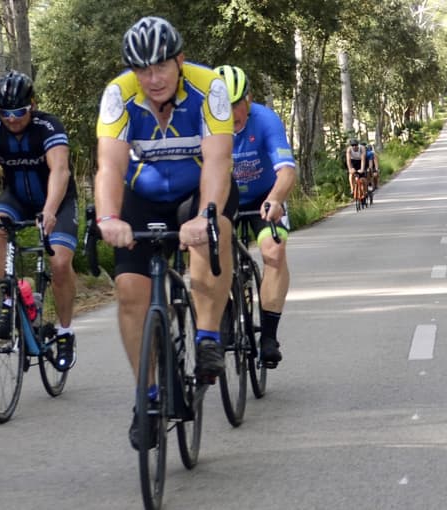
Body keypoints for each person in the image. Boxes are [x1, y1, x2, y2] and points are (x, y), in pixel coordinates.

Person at [94, 16, 236, 449]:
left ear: (180, 60)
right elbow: (110, 167)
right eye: (142, 69)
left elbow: (217, 161)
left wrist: (204, 214)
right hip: (144, 195)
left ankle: (208, 334)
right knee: (129, 291)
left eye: (160, 67)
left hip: (199, 190)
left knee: (213, 230)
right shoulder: (119, 95)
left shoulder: (209, 88)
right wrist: (108, 219)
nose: (152, 79)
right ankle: (148, 395)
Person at [0, 70, 79, 372]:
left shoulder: (48, 127)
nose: (12, 118)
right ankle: (11, 296)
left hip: (57, 201)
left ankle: (64, 332)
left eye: (19, 111)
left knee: (60, 263)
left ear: (32, 105)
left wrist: (49, 210)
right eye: (4, 112)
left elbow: (60, 170)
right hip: (17, 201)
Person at [214, 65, 296, 368]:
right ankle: (225, 309)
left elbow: (286, 171)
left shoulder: (265, 121)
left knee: (274, 251)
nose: (231, 113)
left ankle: (269, 337)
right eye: (223, 106)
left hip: (264, 196)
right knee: (211, 255)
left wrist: (275, 199)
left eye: (237, 104)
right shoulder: (205, 125)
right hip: (225, 198)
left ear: (249, 98)